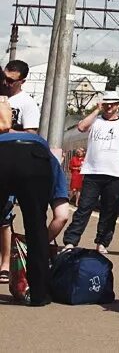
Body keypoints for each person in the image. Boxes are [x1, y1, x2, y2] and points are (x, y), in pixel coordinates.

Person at [0, 83, 65, 306]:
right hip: (35, 158)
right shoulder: (40, 142)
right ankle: (38, 294)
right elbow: (62, 215)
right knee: (36, 225)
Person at [63, 89, 119, 254]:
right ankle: (71, 241)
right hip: (92, 172)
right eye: (106, 103)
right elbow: (81, 126)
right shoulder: (95, 121)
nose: (109, 106)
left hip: (115, 174)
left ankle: (102, 242)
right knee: (84, 208)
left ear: (118, 106)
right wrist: (96, 109)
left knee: (109, 211)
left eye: (112, 104)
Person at [0, 60, 41, 282]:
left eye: (11, 80)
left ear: (22, 81)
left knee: (5, 217)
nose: (6, 83)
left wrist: (6, 128)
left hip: (13, 163)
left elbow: (32, 134)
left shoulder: (27, 103)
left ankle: (5, 265)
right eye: (4, 78)